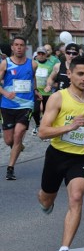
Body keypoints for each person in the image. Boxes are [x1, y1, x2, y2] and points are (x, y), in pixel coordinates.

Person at [37, 55, 84, 251]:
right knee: (45, 199)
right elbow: (42, 132)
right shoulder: (58, 98)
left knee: (76, 196)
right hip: (57, 155)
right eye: (80, 74)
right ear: (69, 73)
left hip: (80, 158)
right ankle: (46, 201)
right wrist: (69, 127)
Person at [0, 36, 40, 180]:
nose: (19, 47)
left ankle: (10, 169)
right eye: (16, 45)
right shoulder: (6, 63)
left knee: (18, 134)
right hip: (7, 105)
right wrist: (5, 93)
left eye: (21, 45)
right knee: (8, 140)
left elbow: (32, 78)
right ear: (12, 47)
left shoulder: (33, 64)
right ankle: (18, 146)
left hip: (26, 105)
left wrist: (35, 90)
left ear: (26, 48)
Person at [33, 46, 57, 136]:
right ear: (37, 54)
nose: (41, 55)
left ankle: (45, 127)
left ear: (46, 55)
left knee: (46, 111)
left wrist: (51, 84)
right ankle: (38, 124)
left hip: (47, 92)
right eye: (39, 53)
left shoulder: (51, 64)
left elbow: (54, 77)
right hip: (36, 91)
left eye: (43, 53)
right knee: (35, 110)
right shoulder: (34, 63)